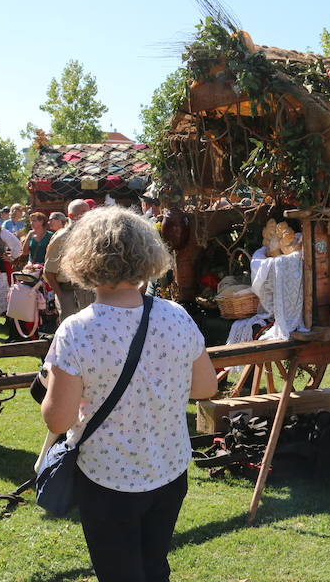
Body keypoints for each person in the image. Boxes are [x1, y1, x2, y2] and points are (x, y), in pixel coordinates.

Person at [41, 206, 217, 582]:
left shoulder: (77, 331)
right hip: (168, 471)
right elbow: (206, 387)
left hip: (108, 478)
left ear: (84, 260)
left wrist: (50, 387)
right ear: (148, 256)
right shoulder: (177, 316)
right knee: (154, 566)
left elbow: (57, 419)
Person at [44, 199, 94, 321]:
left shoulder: (90, 235)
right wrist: (62, 297)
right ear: (71, 216)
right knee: (70, 331)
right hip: (68, 292)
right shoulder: (61, 238)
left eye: (88, 211)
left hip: (88, 291)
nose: (88, 215)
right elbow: (48, 272)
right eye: (82, 212)